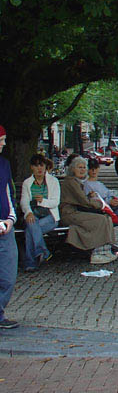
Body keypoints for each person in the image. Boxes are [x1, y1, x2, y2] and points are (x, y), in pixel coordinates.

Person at [59, 156, 118, 264]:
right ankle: (97, 253)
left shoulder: (77, 182)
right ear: (73, 169)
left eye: (84, 167)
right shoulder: (71, 182)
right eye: (79, 167)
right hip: (69, 213)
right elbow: (83, 201)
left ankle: (106, 249)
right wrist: (100, 205)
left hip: (77, 211)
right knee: (100, 220)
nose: (82, 170)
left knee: (106, 218)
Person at [20, 154, 61, 272]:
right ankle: (43, 251)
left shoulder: (53, 181)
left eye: (41, 165)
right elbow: (24, 201)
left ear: (45, 167)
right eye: (36, 166)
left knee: (30, 230)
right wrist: (28, 212)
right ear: (31, 167)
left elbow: (55, 202)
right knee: (31, 224)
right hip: (34, 215)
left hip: (50, 216)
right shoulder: (27, 183)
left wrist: (42, 201)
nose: (39, 169)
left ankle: (31, 262)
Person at [0, 126, 19, 328]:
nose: (4, 144)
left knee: (8, 275)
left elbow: (9, 193)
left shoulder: (4, 164)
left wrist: (10, 219)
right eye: (1, 139)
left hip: (5, 227)